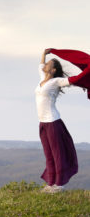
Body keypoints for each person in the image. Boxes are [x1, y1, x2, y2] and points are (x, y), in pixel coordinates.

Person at [35, 48, 78, 194]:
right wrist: (44, 54)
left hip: (53, 122)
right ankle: (50, 183)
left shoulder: (56, 82)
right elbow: (40, 66)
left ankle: (59, 185)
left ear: (53, 70)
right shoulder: (43, 79)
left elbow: (73, 80)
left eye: (49, 63)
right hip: (43, 123)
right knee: (48, 154)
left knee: (57, 153)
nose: (45, 64)